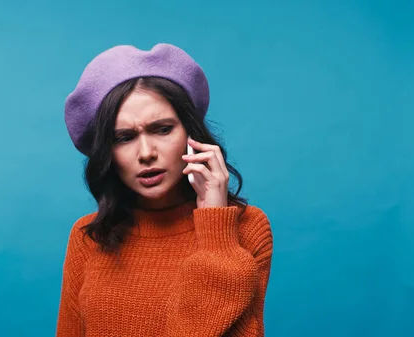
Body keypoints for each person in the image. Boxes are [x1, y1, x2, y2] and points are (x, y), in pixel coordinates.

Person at [57, 43, 274, 336]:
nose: (146, 152)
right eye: (124, 137)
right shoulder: (88, 236)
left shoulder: (246, 227)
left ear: (191, 134)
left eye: (162, 129)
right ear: (108, 152)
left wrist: (215, 231)